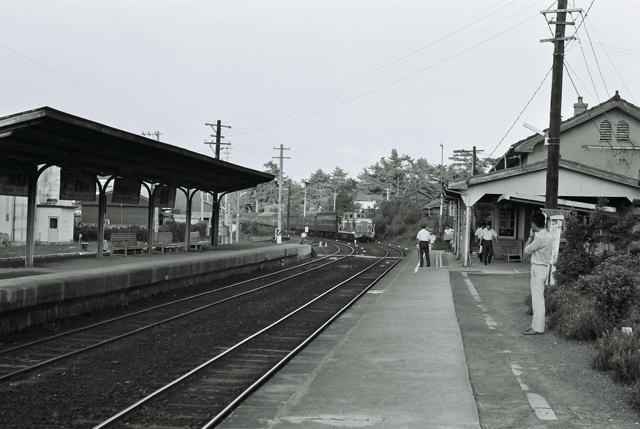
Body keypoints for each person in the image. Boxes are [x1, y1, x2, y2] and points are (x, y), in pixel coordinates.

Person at [523, 212, 553, 335]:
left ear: (534, 225)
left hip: (538, 268)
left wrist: (530, 236)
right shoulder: (547, 235)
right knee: (537, 299)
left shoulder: (540, 238)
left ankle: (538, 328)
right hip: (541, 267)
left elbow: (526, 251)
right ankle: (535, 325)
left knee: (538, 299)